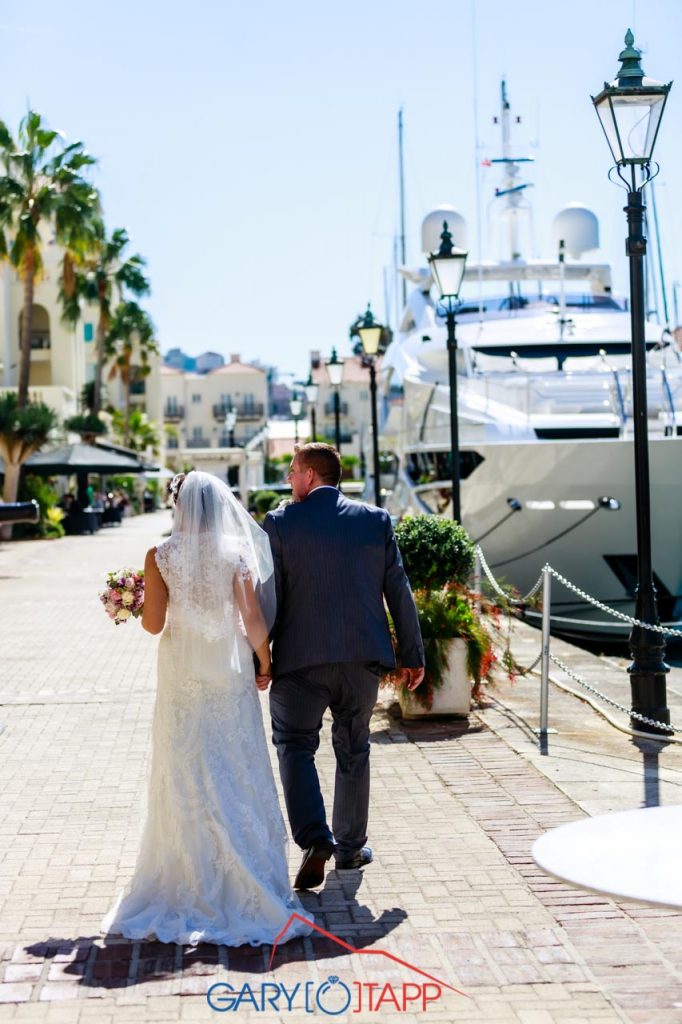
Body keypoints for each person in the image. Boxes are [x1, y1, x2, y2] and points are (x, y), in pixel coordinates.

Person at [101, 471, 311, 946]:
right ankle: (246, 872)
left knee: (185, 764)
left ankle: (187, 877)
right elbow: (252, 617)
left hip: (181, 671)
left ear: (179, 507)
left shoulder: (160, 555)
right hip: (228, 668)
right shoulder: (235, 552)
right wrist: (266, 661)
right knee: (234, 762)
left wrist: (138, 601)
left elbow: (154, 626)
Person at [263, 443, 425, 891]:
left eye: (293, 471)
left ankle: (316, 838)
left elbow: (268, 598)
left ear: (311, 476)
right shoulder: (375, 520)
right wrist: (413, 655)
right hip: (361, 661)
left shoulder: (279, 524)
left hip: (299, 662)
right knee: (354, 748)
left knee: (295, 745)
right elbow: (399, 589)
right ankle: (350, 849)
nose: (289, 480)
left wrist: (260, 655)